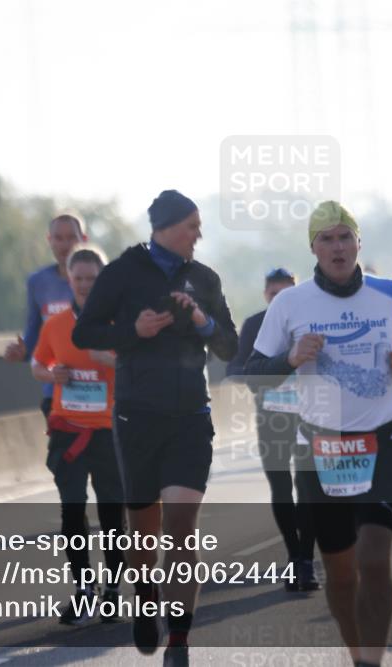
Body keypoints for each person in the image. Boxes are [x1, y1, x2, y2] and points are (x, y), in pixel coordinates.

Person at [244, 201, 392, 667]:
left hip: (384, 438)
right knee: (341, 573)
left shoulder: (391, 292)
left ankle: (372, 662)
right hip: (320, 448)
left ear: (358, 243)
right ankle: (357, 656)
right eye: (326, 238)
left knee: (373, 554)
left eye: (345, 236)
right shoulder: (290, 303)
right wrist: (289, 359)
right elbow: (253, 372)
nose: (337, 246)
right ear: (313, 248)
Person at [72, 190, 237, 667]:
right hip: (136, 416)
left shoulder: (204, 277)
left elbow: (230, 346)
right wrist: (134, 332)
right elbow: (86, 333)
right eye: (192, 226)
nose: (199, 234)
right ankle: (145, 592)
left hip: (190, 417)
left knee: (181, 527)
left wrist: (204, 321)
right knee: (144, 530)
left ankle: (179, 642)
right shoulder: (122, 272)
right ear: (164, 227)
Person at [31, 248, 127, 624]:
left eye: (92, 278)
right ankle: (84, 588)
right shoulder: (55, 325)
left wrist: (110, 360)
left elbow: (140, 365)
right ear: (69, 280)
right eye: (79, 279)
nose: (86, 285)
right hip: (67, 429)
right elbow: (39, 363)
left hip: (108, 431)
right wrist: (50, 374)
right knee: (72, 510)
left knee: (111, 513)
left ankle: (113, 588)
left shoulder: (119, 322)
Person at [225, 267, 320, 593]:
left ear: (295, 292)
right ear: (266, 295)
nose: (279, 299)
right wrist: (249, 377)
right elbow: (236, 366)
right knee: (280, 488)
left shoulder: (309, 320)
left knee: (307, 487)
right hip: (272, 416)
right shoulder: (255, 324)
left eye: (285, 293)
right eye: (273, 294)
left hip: (309, 416)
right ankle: (294, 556)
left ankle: (306, 561)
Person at [4, 213, 88, 418]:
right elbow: (35, 332)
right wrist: (23, 351)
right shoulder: (38, 281)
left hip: (94, 388)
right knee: (61, 450)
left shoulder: (100, 280)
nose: (65, 244)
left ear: (84, 240)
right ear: (49, 240)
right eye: (58, 238)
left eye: (71, 238)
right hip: (56, 389)